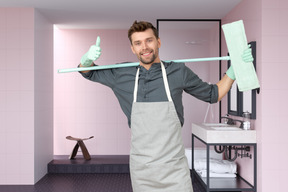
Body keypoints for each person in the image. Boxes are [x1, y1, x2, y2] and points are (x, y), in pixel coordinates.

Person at [78, 21, 253, 192]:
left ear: (158, 41)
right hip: (142, 170)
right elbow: (88, 72)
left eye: (149, 40)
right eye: (138, 43)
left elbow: (212, 94)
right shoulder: (121, 73)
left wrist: (234, 70)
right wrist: (86, 61)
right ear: (133, 48)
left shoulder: (178, 72)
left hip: (174, 169)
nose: (144, 47)